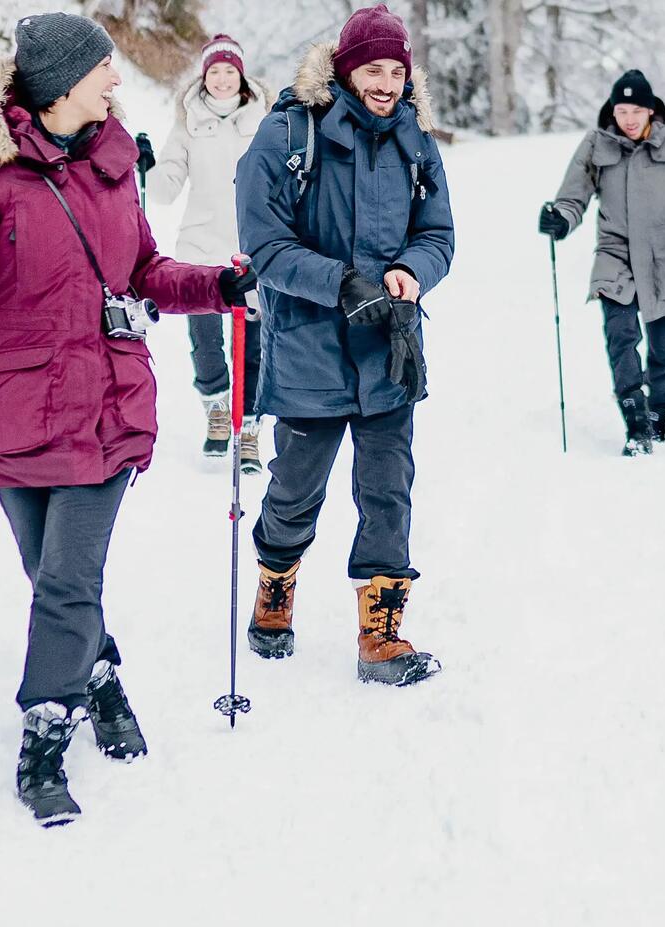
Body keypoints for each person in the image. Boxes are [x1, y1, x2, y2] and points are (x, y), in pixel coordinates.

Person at [0, 12, 255, 825]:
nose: (116, 82)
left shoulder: (111, 166)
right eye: (104, 71)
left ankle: (45, 733)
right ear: (63, 84)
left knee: (67, 578)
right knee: (47, 575)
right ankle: (99, 678)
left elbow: (142, 269)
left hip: (106, 406)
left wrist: (214, 287)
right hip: (13, 407)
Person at [234, 4, 454, 687]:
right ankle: (276, 582)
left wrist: (412, 271)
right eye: (373, 68)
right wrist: (340, 283)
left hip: (389, 353)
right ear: (344, 67)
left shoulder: (416, 140)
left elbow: (439, 234)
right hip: (309, 350)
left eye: (397, 70)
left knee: (388, 491)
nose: (386, 82)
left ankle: (379, 634)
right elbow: (264, 247)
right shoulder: (285, 135)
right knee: (296, 489)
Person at [539, 69, 665, 455]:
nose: (628, 119)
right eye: (621, 110)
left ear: (651, 111)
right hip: (616, 256)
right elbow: (572, 197)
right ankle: (636, 422)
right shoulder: (596, 145)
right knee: (621, 339)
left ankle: (660, 413)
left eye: (636, 110)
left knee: (663, 351)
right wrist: (561, 220)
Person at [140, 33, 275, 469]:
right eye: (214, 71)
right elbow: (163, 191)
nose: (221, 79)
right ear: (204, 77)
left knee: (253, 346)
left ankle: (249, 427)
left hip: (251, 248)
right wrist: (145, 166)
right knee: (205, 342)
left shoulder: (267, 121)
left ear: (241, 75)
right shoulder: (189, 123)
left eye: (229, 71)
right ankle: (217, 409)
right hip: (200, 247)